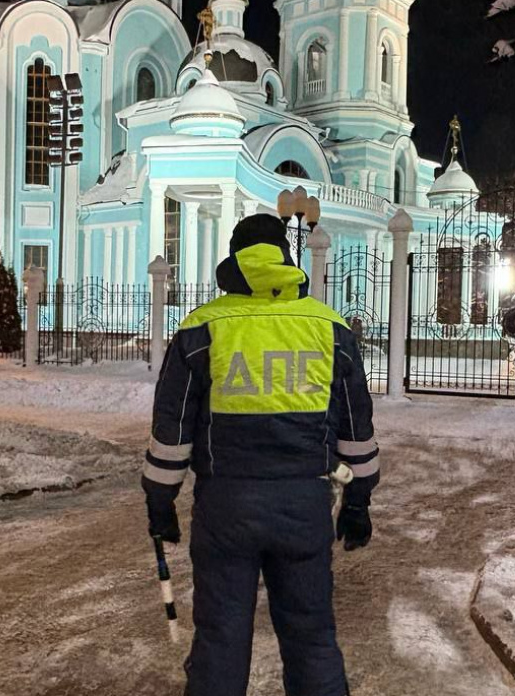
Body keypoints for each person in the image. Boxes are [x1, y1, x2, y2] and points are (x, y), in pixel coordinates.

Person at [143, 214, 379, 696]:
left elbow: (172, 432)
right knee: (312, 639)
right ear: (286, 258)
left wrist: (160, 503)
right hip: (304, 508)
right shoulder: (330, 329)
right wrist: (357, 505)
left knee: (221, 642)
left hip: (225, 510)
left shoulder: (202, 330)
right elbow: (356, 432)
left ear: (234, 260)